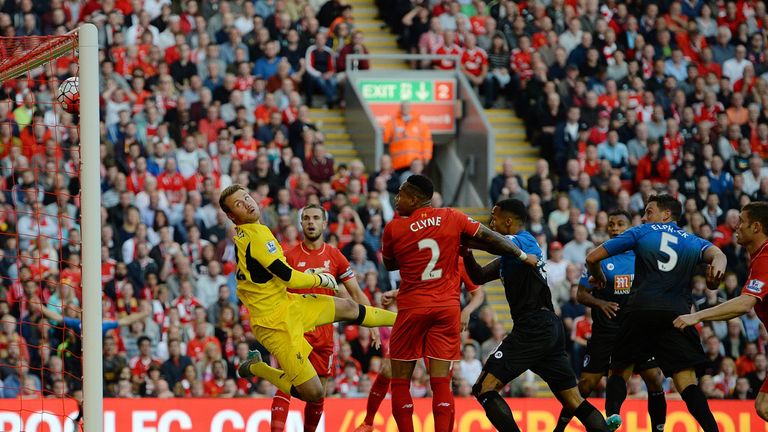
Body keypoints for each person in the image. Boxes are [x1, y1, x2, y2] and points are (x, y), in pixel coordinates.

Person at [380, 176, 539, 432]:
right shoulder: (452, 217)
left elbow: (390, 264)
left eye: (400, 194)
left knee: (400, 383)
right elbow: (490, 238)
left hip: (412, 307)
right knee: (442, 383)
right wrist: (520, 254)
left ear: (414, 198)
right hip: (446, 308)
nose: (396, 199)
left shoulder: (393, 228)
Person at [218, 184, 397, 402]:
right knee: (314, 394)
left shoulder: (252, 232)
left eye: (246, 197)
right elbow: (289, 277)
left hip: (288, 303)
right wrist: (320, 278)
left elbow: (272, 273)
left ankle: (406, 320)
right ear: (231, 216)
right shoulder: (257, 238)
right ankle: (257, 368)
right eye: (239, 204)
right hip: (275, 325)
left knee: (348, 307)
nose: (247, 203)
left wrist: (310, 273)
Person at [462, 198, 616, 432]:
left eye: (495, 216)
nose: (491, 222)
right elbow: (479, 276)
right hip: (546, 327)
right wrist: (466, 252)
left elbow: (493, 242)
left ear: (509, 220)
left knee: (484, 388)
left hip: (534, 326)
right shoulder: (509, 255)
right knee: (573, 400)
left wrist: (466, 233)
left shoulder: (525, 241)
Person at [585, 194, 727, 432]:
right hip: (677, 316)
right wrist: (717, 272)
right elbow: (719, 255)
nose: (644, 216)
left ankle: (613, 416)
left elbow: (592, 258)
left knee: (619, 368)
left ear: (666, 214)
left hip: (640, 311)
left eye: (649, 211)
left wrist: (598, 276)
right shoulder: (693, 240)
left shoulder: (641, 232)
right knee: (686, 382)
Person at [270, 204, 380, 432]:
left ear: (323, 223)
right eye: (306, 218)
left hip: (325, 336)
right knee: (288, 381)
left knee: (319, 393)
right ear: (301, 223)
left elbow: (357, 293)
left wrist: (373, 323)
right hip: (297, 331)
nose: (310, 222)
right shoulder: (288, 256)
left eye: (315, 218)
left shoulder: (334, 256)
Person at [554, 210, 666, 432]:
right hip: (606, 329)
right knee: (586, 385)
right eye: (611, 225)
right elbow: (581, 294)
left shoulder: (642, 255)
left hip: (636, 328)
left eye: (620, 224)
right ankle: (559, 428)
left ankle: (657, 428)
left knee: (654, 377)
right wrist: (600, 303)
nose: (615, 228)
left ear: (630, 227)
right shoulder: (599, 256)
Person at [353, 257, 485, 432]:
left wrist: (467, 310)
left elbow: (477, 292)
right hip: (416, 320)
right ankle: (368, 422)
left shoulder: (457, 260)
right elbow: (422, 288)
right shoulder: (425, 254)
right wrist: (396, 292)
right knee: (388, 370)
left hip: (441, 326)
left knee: (441, 381)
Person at [674, 202, 768, 421]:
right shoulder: (757, 257)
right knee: (763, 406)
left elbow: (745, 304)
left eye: (742, 222)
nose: (736, 226)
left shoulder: (765, 258)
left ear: (756, 227)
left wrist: (696, 315)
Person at [382, 102, 433, 173]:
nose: (405, 109)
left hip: (415, 163)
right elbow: (385, 140)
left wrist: (426, 157)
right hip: (398, 164)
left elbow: (427, 142)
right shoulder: (392, 123)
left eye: (407, 107)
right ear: (400, 108)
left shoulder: (420, 124)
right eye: (403, 107)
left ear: (410, 108)